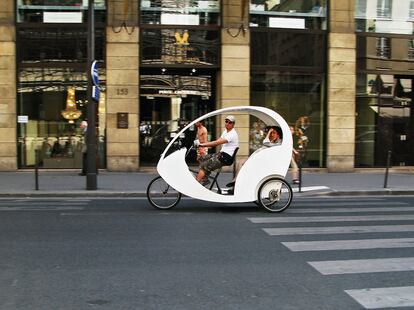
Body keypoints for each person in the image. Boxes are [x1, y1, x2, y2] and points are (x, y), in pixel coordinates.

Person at [195, 115, 239, 186]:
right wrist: (204, 145)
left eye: (230, 122)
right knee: (201, 158)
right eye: (226, 121)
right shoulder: (226, 131)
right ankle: (205, 179)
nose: (227, 123)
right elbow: (217, 141)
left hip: (225, 158)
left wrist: (202, 145)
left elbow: (217, 143)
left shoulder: (232, 134)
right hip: (221, 154)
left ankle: (195, 184)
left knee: (203, 166)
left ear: (233, 124)